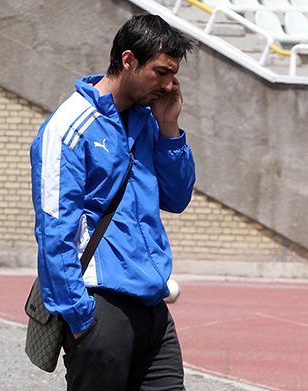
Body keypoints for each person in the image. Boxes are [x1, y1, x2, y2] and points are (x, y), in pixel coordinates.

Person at [30, 14, 195, 390]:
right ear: (127, 60)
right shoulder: (69, 125)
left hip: (152, 305)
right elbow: (54, 232)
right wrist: (81, 318)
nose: (169, 84)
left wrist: (169, 129)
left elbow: (178, 197)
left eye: (174, 74)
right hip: (99, 305)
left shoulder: (148, 119)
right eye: (161, 72)